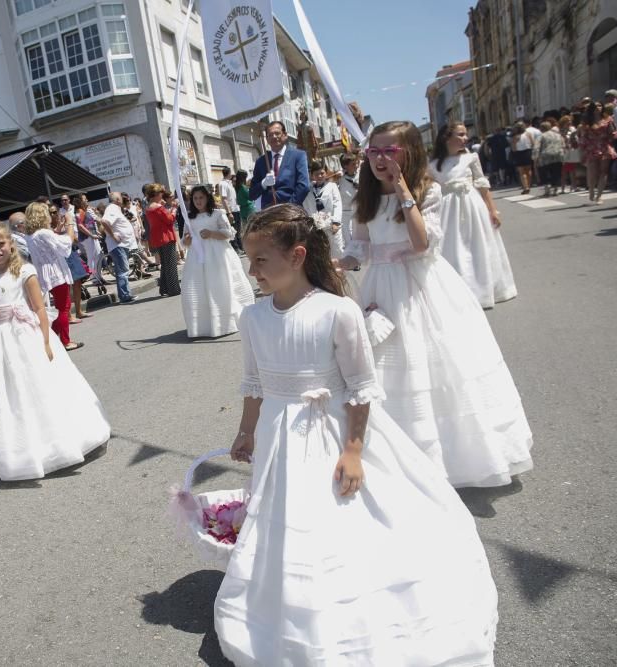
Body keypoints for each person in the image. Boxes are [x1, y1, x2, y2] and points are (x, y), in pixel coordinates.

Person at [214, 204, 498, 666]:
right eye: (249, 260)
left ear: (298, 255)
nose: (252, 271)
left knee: (336, 517)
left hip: (330, 430)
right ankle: (292, 605)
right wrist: (246, 430)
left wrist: (353, 450)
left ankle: (349, 608)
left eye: (261, 260)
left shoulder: (338, 311)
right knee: (287, 518)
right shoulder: (252, 318)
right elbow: (254, 383)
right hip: (278, 434)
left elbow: (362, 388)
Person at [337, 121, 533, 488]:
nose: (380, 159)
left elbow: (422, 243)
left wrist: (402, 190)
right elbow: (358, 248)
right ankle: (390, 459)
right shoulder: (364, 197)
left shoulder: (428, 192)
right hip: (381, 287)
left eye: (389, 151)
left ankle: (447, 462)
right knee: (383, 369)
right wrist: (336, 263)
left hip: (423, 287)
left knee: (438, 368)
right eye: (374, 151)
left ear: (408, 152)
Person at [0, 222, 110, 480]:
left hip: (27, 334)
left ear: (11, 244)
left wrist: (47, 341)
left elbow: (39, 309)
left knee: (42, 386)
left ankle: (63, 441)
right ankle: (27, 449)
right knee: (15, 394)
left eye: (0, 244)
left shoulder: (25, 271)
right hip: (2, 340)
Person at [429, 123, 518, 308]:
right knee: (452, 248)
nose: (465, 138)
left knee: (478, 245)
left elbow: (482, 185)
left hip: (471, 205)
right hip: (446, 209)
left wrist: (492, 210)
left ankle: (484, 289)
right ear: (447, 137)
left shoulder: (471, 157)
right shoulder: (432, 164)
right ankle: (456, 292)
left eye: (465, 135)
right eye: (460, 135)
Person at [181, 185, 255, 338]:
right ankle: (205, 324)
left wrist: (212, 233)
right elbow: (184, 241)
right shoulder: (189, 217)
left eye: (201, 197)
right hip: (197, 258)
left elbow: (229, 233)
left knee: (221, 284)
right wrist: (187, 240)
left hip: (218, 256)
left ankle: (227, 320)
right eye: (195, 198)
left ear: (208, 198)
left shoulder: (217, 214)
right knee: (200, 288)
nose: (198, 201)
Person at [23, 201, 83, 351]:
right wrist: (70, 224)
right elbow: (65, 244)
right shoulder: (43, 233)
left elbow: (52, 242)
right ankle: (63, 340)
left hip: (45, 273)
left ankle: (54, 339)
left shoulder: (31, 235)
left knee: (59, 307)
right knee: (64, 308)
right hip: (55, 273)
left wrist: (58, 229)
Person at [249, 121, 310, 208]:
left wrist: (289, 207)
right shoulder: (261, 161)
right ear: (266, 139)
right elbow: (252, 194)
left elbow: (304, 186)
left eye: (277, 133)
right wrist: (263, 184)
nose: (274, 137)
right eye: (270, 135)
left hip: (291, 212)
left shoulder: (298, 155)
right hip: (269, 213)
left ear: (285, 135)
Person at [100, 192, 138, 303]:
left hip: (122, 245)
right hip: (118, 245)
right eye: (121, 198)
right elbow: (104, 221)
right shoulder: (112, 208)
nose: (122, 199)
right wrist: (113, 235)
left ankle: (125, 294)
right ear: (117, 199)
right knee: (123, 271)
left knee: (122, 270)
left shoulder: (116, 209)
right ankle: (125, 296)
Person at [144, 183, 181, 297]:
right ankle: (173, 289)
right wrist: (174, 209)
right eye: (161, 193)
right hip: (166, 236)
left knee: (165, 264)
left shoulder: (149, 207)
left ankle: (164, 288)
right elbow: (170, 219)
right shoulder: (158, 207)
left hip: (158, 237)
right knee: (170, 264)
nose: (162, 195)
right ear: (155, 194)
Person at [578, 101, 617, 205]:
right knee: (592, 172)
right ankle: (591, 190)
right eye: (595, 106)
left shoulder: (608, 119)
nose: (598, 108)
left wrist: (611, 135)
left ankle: (599, 196)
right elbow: (583, 137)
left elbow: (613, 133)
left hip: (604, 146)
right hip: (591, 147)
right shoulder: (586, 122)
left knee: (604, 171)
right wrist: (582, 151)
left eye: (600, 105)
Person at [72, 195, 103, 284]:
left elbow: (91, 223)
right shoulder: (79, 212)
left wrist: (96, 232)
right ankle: (93, 276)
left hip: (92, 236)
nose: (87, 200)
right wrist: (92, 235)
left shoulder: (86, 211)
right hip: (87, 238)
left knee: (98, 255)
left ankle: (98, 275)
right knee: (92, 258)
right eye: (85, 200)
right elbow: (80, 226)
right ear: (80, 202)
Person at [537, 120, 566, 197]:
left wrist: (535, 157)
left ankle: (547, 191)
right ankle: (555, 190)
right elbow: (563, 144)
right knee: (556, 173)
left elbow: (536, 147)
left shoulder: (541, 136)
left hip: (545, 156)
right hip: (558, 155)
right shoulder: (558, 135)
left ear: (541, 128)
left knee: (545, 174)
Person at [217, 166, 243, 251]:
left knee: (238, 229)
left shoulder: (230, 183)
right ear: (229, 173)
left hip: (236, 208)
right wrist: (229, 212)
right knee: (232, 229)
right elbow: (224, 198)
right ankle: (235, 248)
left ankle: (240, 246)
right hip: (230, 210)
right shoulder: (222, 184)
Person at [560, 114, 583, 193]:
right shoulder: (561, 131)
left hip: (572, 150)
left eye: (570, 121)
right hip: (564, 151)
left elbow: (576, 138)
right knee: (564, 170)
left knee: (573, 169)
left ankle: (574, 186)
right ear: (564, 122)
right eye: (567, 121)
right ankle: (563, 187)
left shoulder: (573, 129)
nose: (569, 123)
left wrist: (574, 139)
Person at [510, 122, 535, 194]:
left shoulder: (515, 137)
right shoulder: (528, 134)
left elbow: (513, 148)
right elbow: (533, 143)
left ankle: (525, 187)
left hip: (519, 154)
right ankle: (529, 185)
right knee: (529, 170)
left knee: (522, 172)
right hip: (528, 152)